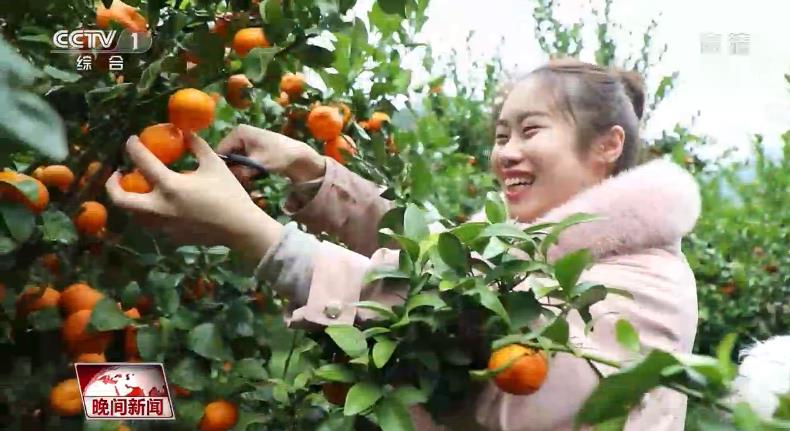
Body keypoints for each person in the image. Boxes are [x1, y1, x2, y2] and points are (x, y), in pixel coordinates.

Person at [106, 58, 702, 430]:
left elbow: (516, 400)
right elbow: (439, 261)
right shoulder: (524, 242)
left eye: (530, 131)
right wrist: (313, 172)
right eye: (501, 135)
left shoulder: (649, 281)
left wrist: (259, 237)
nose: (506, 153)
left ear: (607, 145)